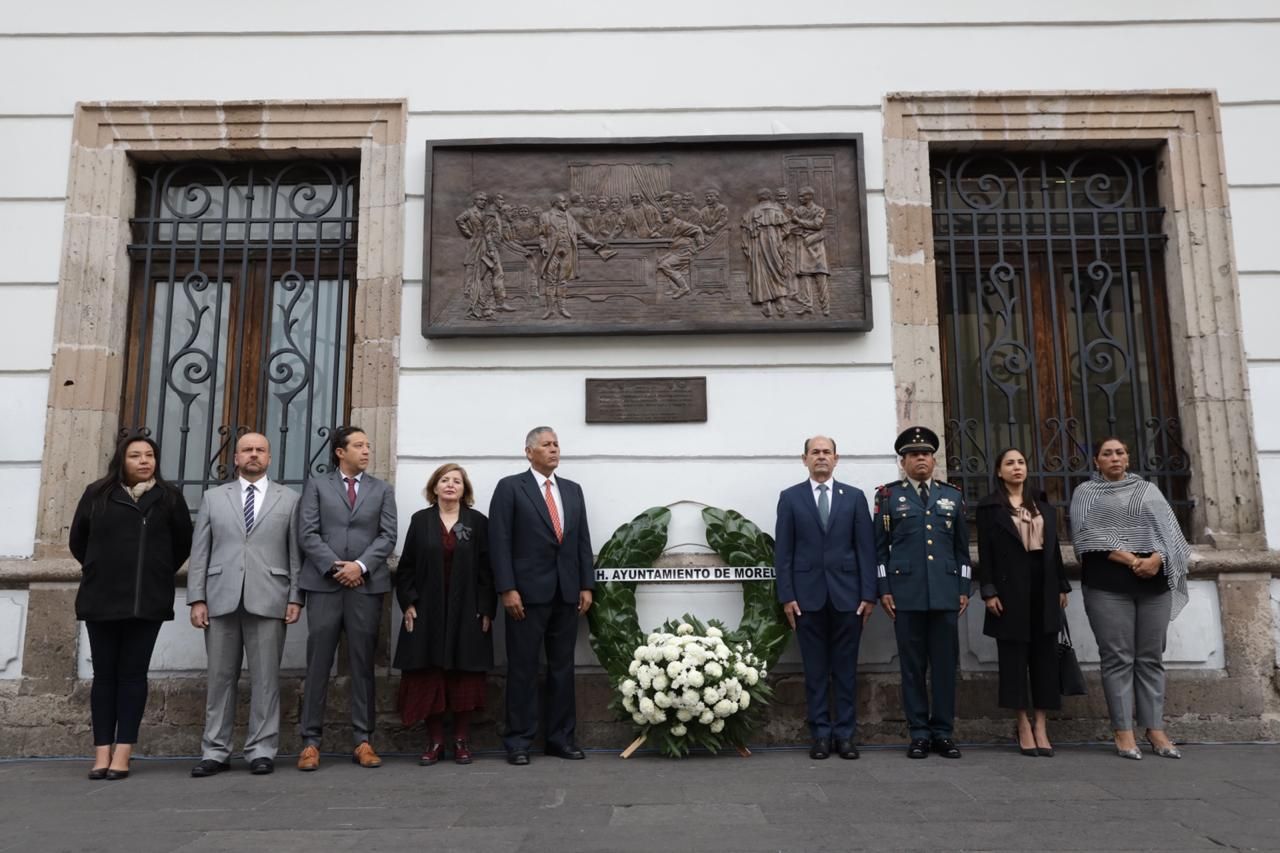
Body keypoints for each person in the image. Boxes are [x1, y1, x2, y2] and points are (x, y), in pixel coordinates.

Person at [69, 433, 194, 780]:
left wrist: (155, 572)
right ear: (121, 460)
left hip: (146, 601)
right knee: (104, 676)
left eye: (149, 455)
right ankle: (101, 752)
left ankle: (123, 751)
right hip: (101, 599)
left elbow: (182, 544)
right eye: (136, 455)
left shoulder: (169, 497)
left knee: (133, 675)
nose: (144, 461)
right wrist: (100, 568)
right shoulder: (98, 494)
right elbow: (78, 540)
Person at [187, 432, 303, 778]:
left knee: (266, 680)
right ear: (235, 458)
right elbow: (200, 552)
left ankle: (261, 749)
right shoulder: (213, 498)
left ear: (269, 457)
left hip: (270, 596)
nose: (254, 455)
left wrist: (295, 596)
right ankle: (215, 750)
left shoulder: (290, 499)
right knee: (219, 679)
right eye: (247, 450)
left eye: (260, 450)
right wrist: (197, 598)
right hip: (220, 596)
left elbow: (296, 554)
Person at [1071, 437, 1190, 760]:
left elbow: (1170, 534)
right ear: (1096, 461)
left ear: (1128, 457)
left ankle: (1154, 728)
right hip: (1108, 585)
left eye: (1120, 452)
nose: (1114, 458)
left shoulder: (1148, 491)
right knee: (1118, 657)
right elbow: (1086, 535)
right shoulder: (1086, 493)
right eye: (1107, 453)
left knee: (1151, 657)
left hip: (1154, 584)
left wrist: (1157, 559)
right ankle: (1123, 731)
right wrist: (1133, 560)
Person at [488, 426, 594, 766]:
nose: (554, 449)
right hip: (525, 595)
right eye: (546, 444)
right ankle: (519, 740)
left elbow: (581, 541)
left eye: (556, 444)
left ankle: (560, 739)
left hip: (566, 593)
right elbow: (499, 541)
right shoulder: (510, 488)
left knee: (563, 668)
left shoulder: (572, 490)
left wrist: (586, 585)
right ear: (529, 451)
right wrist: (507, 588)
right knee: (523, 668)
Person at [296, 426, 398, 771]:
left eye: (368, 445)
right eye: (358, 445)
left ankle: (363, 740)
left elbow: (387, 535)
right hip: (324, 585)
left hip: (365, 587)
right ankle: (310, 742)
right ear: (340, 452)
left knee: (363, 663)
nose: (367, 450)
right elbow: (307, 533)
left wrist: (360, 566)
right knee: (318, 663)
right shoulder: (317, 486)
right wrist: (335, 567)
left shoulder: (382, 489)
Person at [774, 436, 877, 760]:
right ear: (804, 458)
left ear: (836, 458)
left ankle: (845, 735)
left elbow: (866, 549)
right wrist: (787, 596)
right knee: (815, 671)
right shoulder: (790, 498)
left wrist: (869, 594)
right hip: (806, 599)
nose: (821, 457)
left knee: (845, 671)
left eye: (827, 452)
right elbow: (783, 553)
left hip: (848, 598)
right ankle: (820, 735)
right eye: (815, 452)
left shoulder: (854, 498)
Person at [875, 426, 971, 759]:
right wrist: (884, 588)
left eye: (926, 454)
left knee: (944, 668)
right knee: (912, 668)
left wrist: (963, 587)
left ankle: (943, 732)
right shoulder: (888, 497)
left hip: (945, 594)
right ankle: (918, 733)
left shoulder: (952, 496)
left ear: (934, 460)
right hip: (906, 595)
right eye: (914, 454)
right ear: (903, 462)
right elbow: (880, 551)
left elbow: (962, 551)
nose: (921, 459)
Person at [393, 463, 496, 767]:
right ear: (435, 487)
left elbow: (487, 570)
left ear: (465, 490)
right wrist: (408, 602)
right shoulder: (421, 521)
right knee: (429, 675)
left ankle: (461, 740)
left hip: (467, 611)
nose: (451, 485)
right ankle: (435, 741)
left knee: (465, 675)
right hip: (428, 611)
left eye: (457, 482)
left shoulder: (477, 522)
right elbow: (406, 567)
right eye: (445, 480)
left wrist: (486, 608)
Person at [975, 447, 1070, 757]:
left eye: (1020, 462)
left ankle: (1041, 724)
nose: (1016, 467)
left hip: (1044, 584)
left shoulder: (1041, 503)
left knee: (1045, 656)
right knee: (1014, 658)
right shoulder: (990, 507)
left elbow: (1054, 549)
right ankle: (1022, 723)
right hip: (1008, 587)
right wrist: (989, 590)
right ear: (999, 471)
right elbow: (985, 552)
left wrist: (1061, 585)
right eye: (1009, 463)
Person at [537, 193, 613, 320]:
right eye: (563, 201)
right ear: (555, 203)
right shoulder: (546, 216)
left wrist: (595, 244)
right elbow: (542, 235)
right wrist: (543, 247)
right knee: (550, 281)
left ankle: (562, 308)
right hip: (552, 253)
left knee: (562, 281)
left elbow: (581, 233)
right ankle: (550, 309)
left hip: (567, 252)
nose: (566, 203)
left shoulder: (569, 216)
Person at [740, 188, 791, 317]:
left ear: (759, 198)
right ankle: (781, 302)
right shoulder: (776, 210)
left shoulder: (752, 212)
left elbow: (745, 230)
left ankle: (766, 303)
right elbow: (786, 228)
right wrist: (778, 238)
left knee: (760, 270)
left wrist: (746, 246)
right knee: (776, 271)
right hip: (774, 243)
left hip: (757, 244)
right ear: (770, 197)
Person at [791, 186, 830, 316]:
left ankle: (825, 307)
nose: (800, 198)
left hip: (816, 246)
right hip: (803, 246)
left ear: (810, 196)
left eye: (802, 196)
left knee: (821, 276)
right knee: (805, 277)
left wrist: (800, 222)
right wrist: (803, 226)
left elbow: (817, 225)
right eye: (799, 196)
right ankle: (807, 306)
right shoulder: (797, 210)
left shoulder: (819, 210)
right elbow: (794, 227)